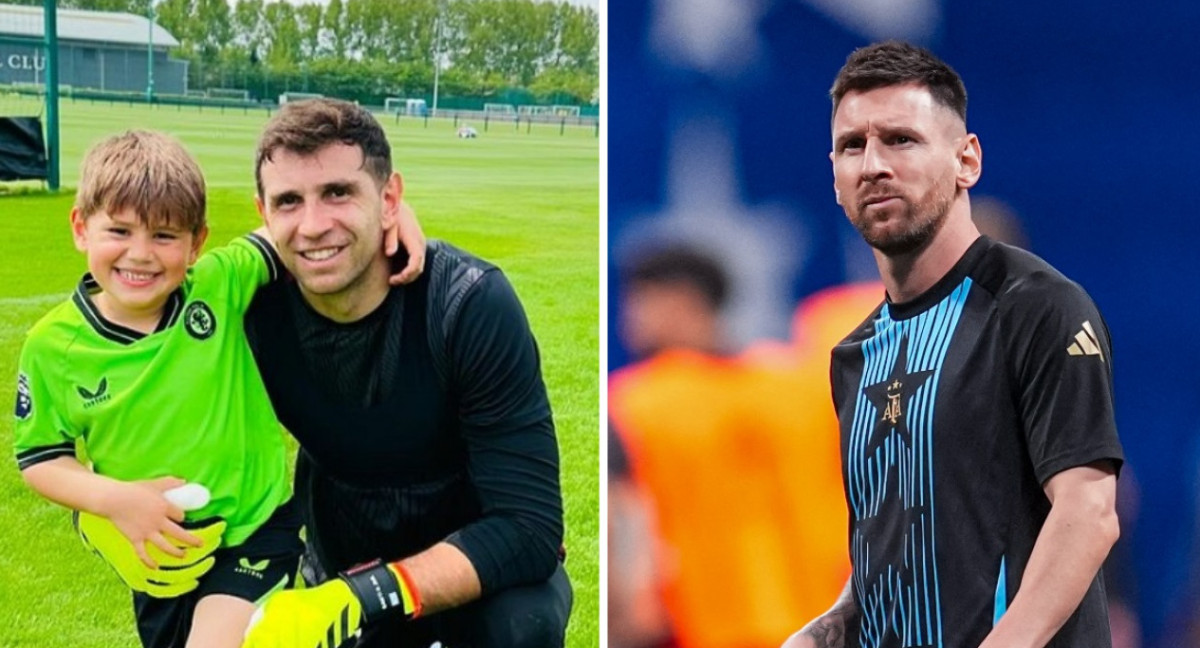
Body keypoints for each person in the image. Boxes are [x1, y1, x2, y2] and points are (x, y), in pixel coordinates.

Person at [783, 41, 1124, 648]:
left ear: (967, 160)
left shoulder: (1037, 306)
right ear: (833, 177)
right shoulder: (853, 356)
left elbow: (1088, 514)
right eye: (852, 146)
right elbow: (886, 557)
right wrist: (817, 636)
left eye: (901, 139)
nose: (873, 165)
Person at [232, 98, 571, 648]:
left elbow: (528, 528)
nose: (314, 225)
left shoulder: (466, 303)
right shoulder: (247, 308)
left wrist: (371, 593)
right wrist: (100, 510)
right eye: (289, 201)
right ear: (264, 215)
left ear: (389, 199)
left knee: (520, 629)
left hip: (481, 571)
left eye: (339, 193)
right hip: (337, 570)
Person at [12, 130, 302, 648]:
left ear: (197, 243)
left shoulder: (219, 285)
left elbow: (290, 230)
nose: (140, 254)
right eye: (119, 231)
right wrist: (117, 502)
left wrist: (398, 217)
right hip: (160, 546)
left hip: (258, 528)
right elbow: (40, 457)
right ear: (81, 227)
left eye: (165, 236)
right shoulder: (53, 347)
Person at [609, 244, 849, 648]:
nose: (628, 319)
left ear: (679, 300)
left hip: (699, 623)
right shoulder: (804, 385)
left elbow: (624, 514)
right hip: (821, 616)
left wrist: (629, 613)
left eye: (638, 301)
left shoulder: (636, 401)